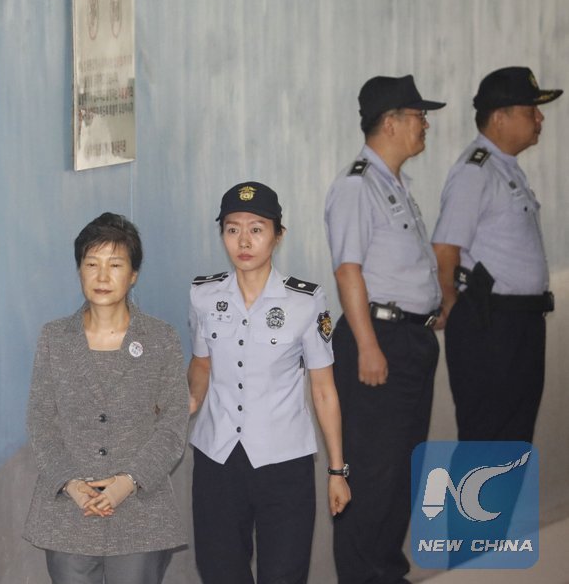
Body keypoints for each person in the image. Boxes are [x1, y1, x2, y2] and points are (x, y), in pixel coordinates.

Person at [188, 182, 350, 584]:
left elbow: (323, 389)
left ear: (278, 235)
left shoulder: (305, 301)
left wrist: (337, 470)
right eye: (232, 229)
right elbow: (201, 364)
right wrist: (189, 399)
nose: (243, 241)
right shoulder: (203, 295)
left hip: (284, 462)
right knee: (219, 571)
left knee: (284, 573)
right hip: (217, 458)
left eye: (256, 229)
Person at [323, 75, 445, 583]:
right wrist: (369, 345)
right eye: (418, 116)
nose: (425, 125)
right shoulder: (357, 186)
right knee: (374, 473)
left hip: (409, 340)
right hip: (378, 341)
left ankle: (387, 573)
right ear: (390, 123)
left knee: (402, 470)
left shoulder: (394, 184)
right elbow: (347, 271)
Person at [23, 212, 189, 584]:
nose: (102, 276)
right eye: (91, 264)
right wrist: (70, 482)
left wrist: (128, 481)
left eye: (115, 265)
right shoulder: (54, 338)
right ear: (79, 270)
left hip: (140, 507)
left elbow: (173, 424)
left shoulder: (161, 338)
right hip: (70, 508)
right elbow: (40, 420)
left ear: (133, 274)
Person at [432, 67, 562, 443]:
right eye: (531, 110)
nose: (540, 119)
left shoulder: (506, 169)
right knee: (487, 442)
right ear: (499, 118)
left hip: (519, 323)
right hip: (490, 326)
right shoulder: (475, 172)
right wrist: (455, 308)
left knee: (513, 442)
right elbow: (445, 248)